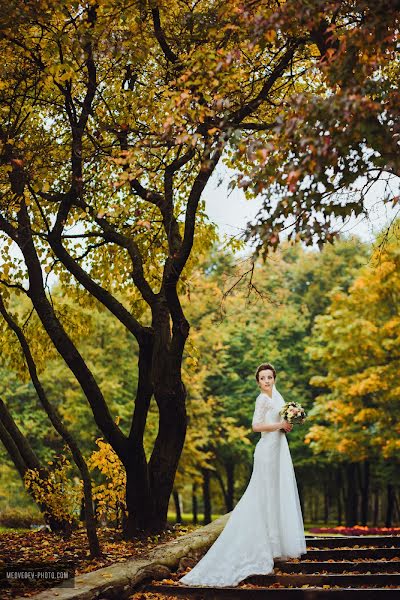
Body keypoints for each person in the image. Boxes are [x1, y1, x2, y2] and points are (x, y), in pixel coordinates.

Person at [179, 362, 306, 587]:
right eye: (263, 378)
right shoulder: (262, 399)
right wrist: (279, 424)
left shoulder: (278, 397)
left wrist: (288, 424)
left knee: (276, 494)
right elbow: (256, 426)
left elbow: (279, 422)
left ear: (274, 378)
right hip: (267, 451)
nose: (267, 381)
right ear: (258, 382)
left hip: (279, 450)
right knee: (263, 494)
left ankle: (276, 544)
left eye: (269, 377)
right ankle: (262, 544)